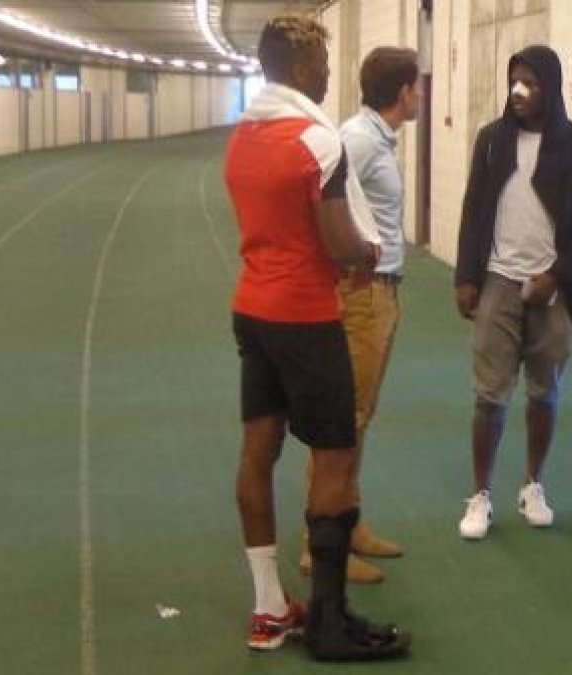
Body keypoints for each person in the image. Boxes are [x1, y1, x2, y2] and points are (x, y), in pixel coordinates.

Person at [224, 15, 409, 660]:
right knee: (334, 452)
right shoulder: (316, 139)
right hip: (305, 314)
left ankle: (269, 607)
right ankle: (330, 623)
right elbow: (338, 241)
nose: (331, 76)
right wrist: (369, 252)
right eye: (325, 66)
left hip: (252, 307)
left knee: (259, 450)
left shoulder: (244, 134)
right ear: (302, 69)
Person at [454, 45, 572, 540]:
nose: (518, 92)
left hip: (551, 288)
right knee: (489, 397)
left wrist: (557, 275)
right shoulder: (492, 140)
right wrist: (466, 277)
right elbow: (474, 208)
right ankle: (480, 496)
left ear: (551, 88)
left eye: (530, 84)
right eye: (514, 82)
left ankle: (532, 485)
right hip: (497, 279)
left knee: (545, 392)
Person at [298, 46, 421, 585]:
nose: (421, 94)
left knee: (359, 417)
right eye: (418, 86)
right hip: (362, 293)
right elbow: (327, 207)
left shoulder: (376, 138)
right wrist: (352, 272)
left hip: (384, 290)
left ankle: (348, 523)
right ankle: (318, 544)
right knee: (342, 421)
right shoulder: (357, 139)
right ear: (404, 92)